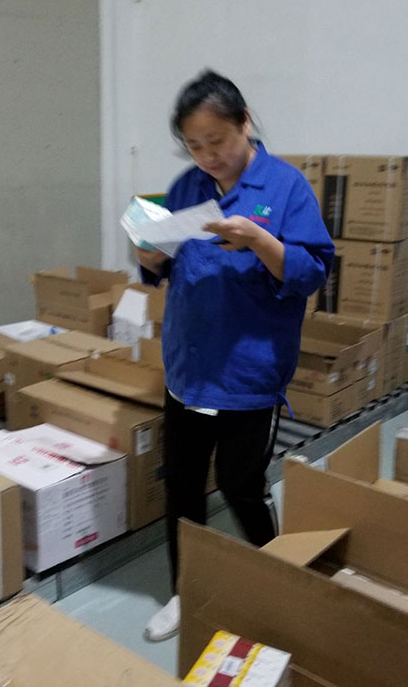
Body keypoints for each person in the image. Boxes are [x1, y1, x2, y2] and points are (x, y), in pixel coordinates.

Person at [137, 70, 334, 642]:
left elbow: (312, 273)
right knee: (182, 485)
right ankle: (185, 588)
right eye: (195, 146)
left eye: (217, 141)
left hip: (248, 374)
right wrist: (149, 258)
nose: (208, 156)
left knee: (240, 484)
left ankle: (279, 583)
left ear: (244, 123)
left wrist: (261, 241)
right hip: (188, 371)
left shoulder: (285, 187)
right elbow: (165, 263)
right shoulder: (186, 187)